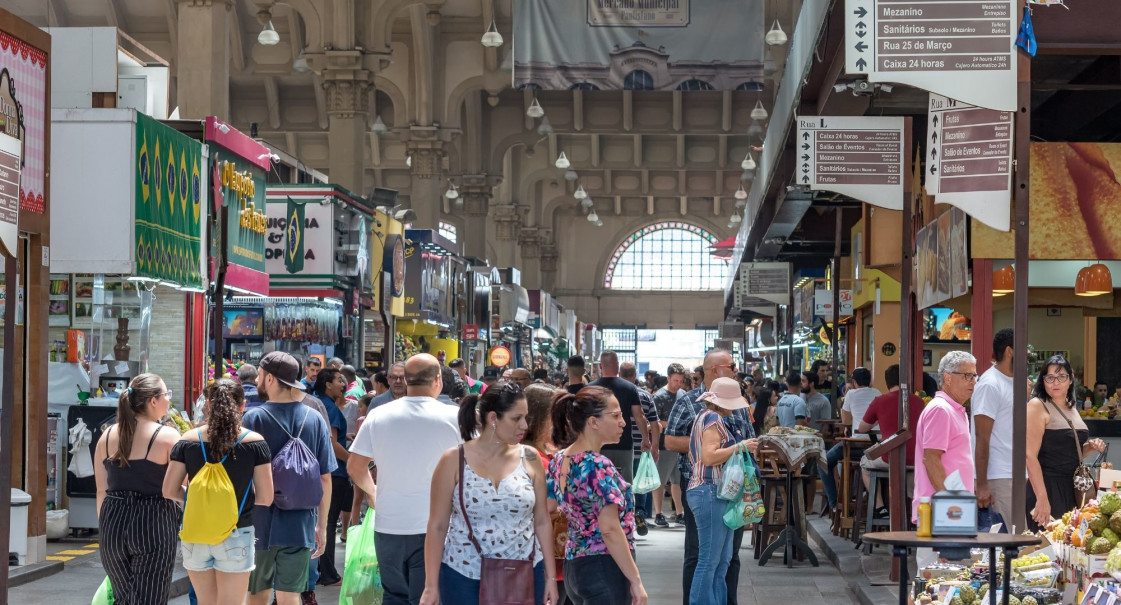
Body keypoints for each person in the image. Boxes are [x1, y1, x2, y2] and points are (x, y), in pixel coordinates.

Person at [420, 383, 559, 605]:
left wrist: (551, 578)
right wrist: (430, 585)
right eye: (516, 418)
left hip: (526, 570)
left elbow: (542, 521)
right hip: (463, 574)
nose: (524, 425)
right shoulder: (453, 460)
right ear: (493, 418)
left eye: (526, 417)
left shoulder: (531, 457)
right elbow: (437, 526)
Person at [348, 353, 462, 605]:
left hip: (389, 524)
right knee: (428, 596)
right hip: (437, 526)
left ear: (406, 380)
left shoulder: (378, 415)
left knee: (393, 595)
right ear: (438, 379)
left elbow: (355, 467)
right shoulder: (455, 418)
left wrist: (372, 491)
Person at [163, 379, 274, 605]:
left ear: (208, 405)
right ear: (242, 405)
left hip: (196, 534)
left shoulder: (187, 441)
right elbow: (266, 497)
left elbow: (168, 490)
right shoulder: (255, 443)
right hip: (237, 532)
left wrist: (196, 498)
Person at [242, 352, 336, 605]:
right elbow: (325, 478)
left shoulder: (253, 418)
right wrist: (322, 527)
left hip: (260, 522)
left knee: (258, 592)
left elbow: (242, 476)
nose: (259, 380)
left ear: (270, 378)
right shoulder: (314, 418)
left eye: (260, 375)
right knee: (290, 594)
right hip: (300, 521)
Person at [665, 348, 752, 605]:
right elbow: (673, 442)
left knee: (726, 557)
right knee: (703, 556)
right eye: (732, 366)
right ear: (715, 369)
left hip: (729, 488)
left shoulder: (726, 406)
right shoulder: (699, 408)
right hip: (709, 487)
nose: (736, 371)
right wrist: (737, 447)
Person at [548, 387, 648, 605]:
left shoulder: (560, 459)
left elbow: (551, 505)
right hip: (604, 566)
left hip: (574, 566)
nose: (622, 422)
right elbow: (610, 529)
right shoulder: (597, 465)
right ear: (593, 422)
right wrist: (636, 579)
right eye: (616, 416)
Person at [93, 373, 181, 605]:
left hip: (112, 522)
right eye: (166, 395)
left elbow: (101, 491)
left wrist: (109, 525)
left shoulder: (107, 436)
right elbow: (181, 488)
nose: (168, 400)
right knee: (150, 598)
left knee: (122, 597)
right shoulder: (168, 436)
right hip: (153, 522)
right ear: (153, 401)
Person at [687, 377, 758, 605]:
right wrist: (740, 446)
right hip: (708, 492)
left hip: (714, 493)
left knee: (722, 560)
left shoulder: (705, 416)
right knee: (710, 561)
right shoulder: (713, 418)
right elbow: (709, 457)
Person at [1027, 355, 1107, 530]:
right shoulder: (1037, 405)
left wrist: (1090, 447)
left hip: (1073, 488)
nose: (1056, 382)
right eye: (1050, 378)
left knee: (1070, 548)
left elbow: (1067, 451)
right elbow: (1029, 456)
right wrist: (1042, 498)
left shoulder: (1072, 407)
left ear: (1070, 379)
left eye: (1061, 377)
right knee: (1048, 550)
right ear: (1043, 381)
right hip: (1048, 486)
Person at [913, 351, 978, 524]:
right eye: (967, 375)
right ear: (948, 378)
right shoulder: (941, 410)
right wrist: (951, 503)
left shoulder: (953, 409)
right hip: (943, 509)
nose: (973, 381)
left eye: (974, 376)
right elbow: (931, 458)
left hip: (951, 508)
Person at [310, 368, 352, 586]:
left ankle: (318, 570)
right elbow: (333, 444)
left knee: (321, 521)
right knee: (327, 522)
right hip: (334, 473)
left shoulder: (315, 403)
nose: (343, 385)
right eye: (338, 380)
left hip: (319, 470)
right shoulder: (329, 408)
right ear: (327, 384)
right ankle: (327, 573)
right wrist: (353, 461)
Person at [972, 329, 1017, 531]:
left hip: (1014, 475)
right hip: (998, 477)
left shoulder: (1013, 382)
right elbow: (982, 437)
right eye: (1023, 350)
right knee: (1007, 544)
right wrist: (982, 484)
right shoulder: (990, 384)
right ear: (1010, 351)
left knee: (1018, 542)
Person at [819, 367, 882, 511]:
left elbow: (846, 421)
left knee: (823, 462)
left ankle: (835, 504)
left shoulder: (851, 394)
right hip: (876, 447)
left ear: (854, 382)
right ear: (870, 381)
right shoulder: (878, 393)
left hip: (856, 447)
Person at [857, 365, 926, 492]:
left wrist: (878, 418)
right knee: (909, 470)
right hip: (916, 457)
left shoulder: (880, 401)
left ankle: (880, 507)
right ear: (907, 380)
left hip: (889, 457)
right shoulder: (919, 401)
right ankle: (911, 507)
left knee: (864, 462)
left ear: (887, 382)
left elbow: (861, 428)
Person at [589, 351, 650, 490]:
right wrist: (645, 438)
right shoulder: (630, 388)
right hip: (624, 444)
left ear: (600, 366)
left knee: (597, 486)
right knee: (624, 487)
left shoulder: (590, 389)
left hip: (596, 445)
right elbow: (639, 415)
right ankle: (624, 511)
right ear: (617, 367)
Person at [620, 361, 660, 535]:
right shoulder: (645, 395)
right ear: (635, 376)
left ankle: (623, 514)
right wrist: (655, 445)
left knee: (622, 484)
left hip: (619, 448)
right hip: (641, 448)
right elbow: (654, 422)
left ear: (620, 374)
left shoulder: (614, 394)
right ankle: (639, 513)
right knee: (641, 483)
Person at [652, 363, 687, 527]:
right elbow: (654, 422)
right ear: (668, 378)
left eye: (680, 381)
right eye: (675, 380)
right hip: (664, 444)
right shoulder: (659, 396)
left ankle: (680, 512)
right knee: (660, 480)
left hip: (680, 444)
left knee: (677, 481)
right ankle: (658, 513)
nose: (678, 384)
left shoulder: (683, 394)